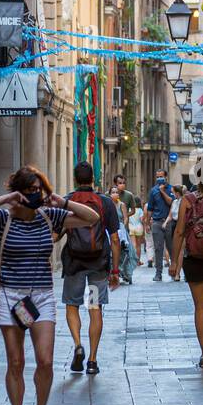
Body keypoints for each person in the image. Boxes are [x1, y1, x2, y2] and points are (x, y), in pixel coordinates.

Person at [0, 166, 99, 405]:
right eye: (28, 190)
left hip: (41, 297)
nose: (34, 195)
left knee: (45, 361)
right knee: (15, 362)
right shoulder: (4, 219)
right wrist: (7, 199)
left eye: (38, 189)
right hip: (10, 296)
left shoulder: (49, 216)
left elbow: (92, 217)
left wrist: (61, 201)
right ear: (18, 192)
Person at [61, 161, 122, 377]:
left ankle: (78, 345)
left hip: (74, 263)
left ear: (76, 179)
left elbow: (56, 232)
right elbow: (114, 239)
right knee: (94, 309)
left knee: (72, 306)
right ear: (93, 179)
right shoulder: (105, 203)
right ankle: (93, 360)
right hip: (98, 264)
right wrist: (115, 270)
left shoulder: (66, 201)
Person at [170, 168, 203, 367]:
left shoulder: (187, 200)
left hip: (194, 259)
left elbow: (179, 232)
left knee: (201, 307)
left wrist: (174, 262)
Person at [146, 169, 174, 281]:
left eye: (161, 176)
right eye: (157, 177)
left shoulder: (171, 189)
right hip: (157, 222)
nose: (159, 179)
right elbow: (150, 209)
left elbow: (171, 202)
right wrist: (147, 223)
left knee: (172, 248)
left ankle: (174, 271)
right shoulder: (153, 191)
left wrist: (162, 191)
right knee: (158, 248)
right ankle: (158, 273)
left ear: (166, 177)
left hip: (169, 222)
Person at [111, 175, 137, 283]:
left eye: (123, 182)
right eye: (120, 182)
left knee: (127, 252)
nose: (122, 185)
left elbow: (132, 212)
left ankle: (126, 273)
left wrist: (122, 223)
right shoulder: (108, 200)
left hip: (122, 229)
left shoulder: (128, 196)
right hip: (112, 230)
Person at [164, 184, 185, 280]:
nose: (172, 194)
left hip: (183, 225)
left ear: (177, 193)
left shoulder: (184, 202)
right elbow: (170, 215)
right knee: (174, 249)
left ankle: (177, 273)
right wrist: (165, 223)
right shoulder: (174, 202)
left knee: (180, 250)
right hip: (174, 225)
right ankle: (175, 270)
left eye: (173, 193)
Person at [130, 198, 146, 266]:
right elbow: (142, 220)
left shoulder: (129, 209)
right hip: (139, 227)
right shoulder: (140, 210)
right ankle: (138, 261)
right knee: (138, 245)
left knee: (133, 244)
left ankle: (132, 261)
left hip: (130, 227)